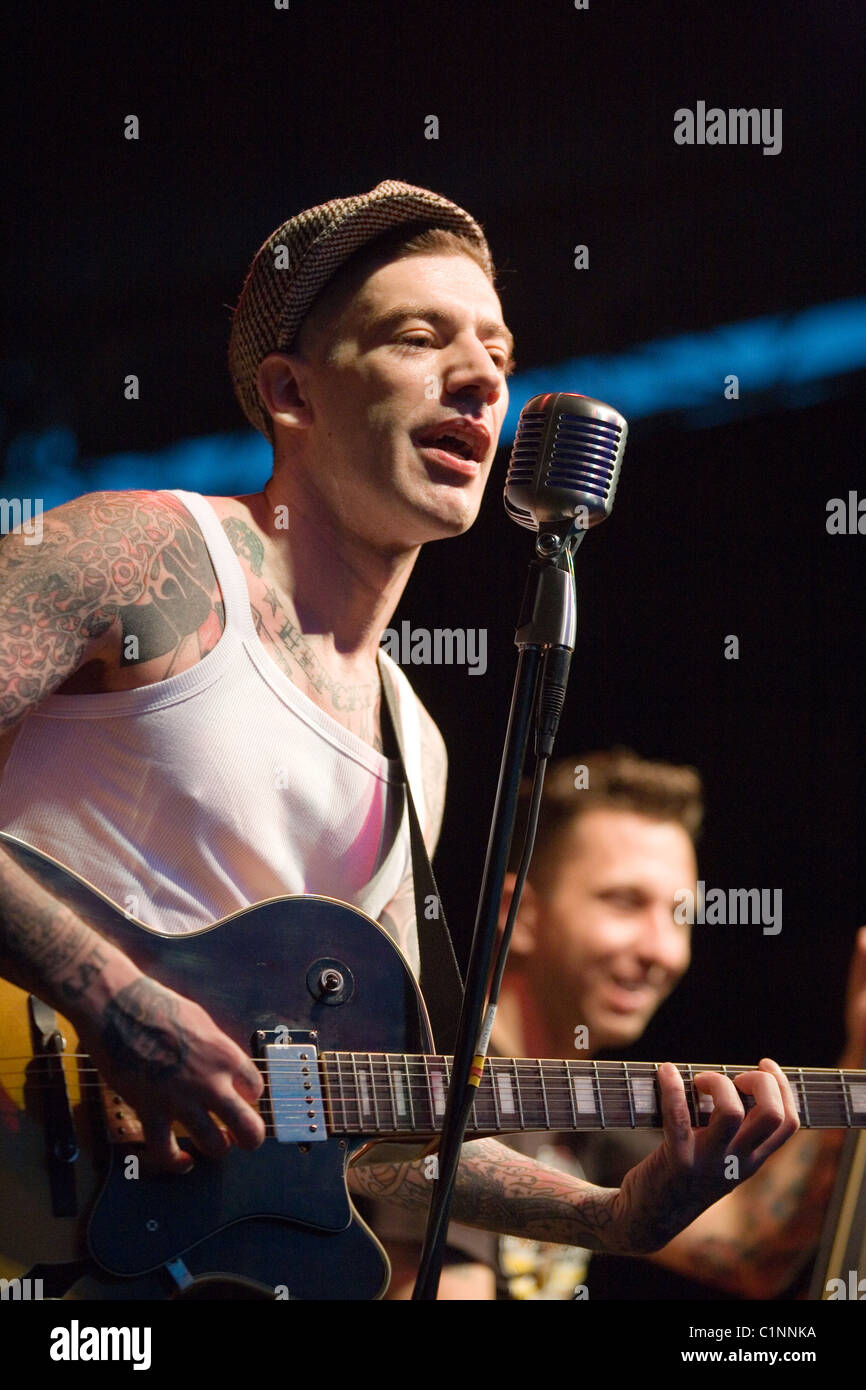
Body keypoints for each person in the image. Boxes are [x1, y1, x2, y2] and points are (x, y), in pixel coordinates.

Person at [0, 180, 800, 1297]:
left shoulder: (411, 742)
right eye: (420, 338)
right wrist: (113, 998)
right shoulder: (144, 555)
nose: (481, 379)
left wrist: (613, 1216)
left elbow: (374, 1136)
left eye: (495, 349)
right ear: (291, 391)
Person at [374, 751, 866, 1299]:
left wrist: (859, 1051)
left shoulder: (582, 1106)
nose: (662, 950)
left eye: (681, 915)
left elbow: (747, 1252)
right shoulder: (437, 1086)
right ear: (523, 914)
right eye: (626, 903)